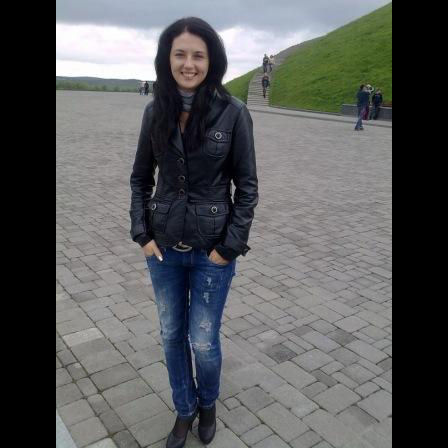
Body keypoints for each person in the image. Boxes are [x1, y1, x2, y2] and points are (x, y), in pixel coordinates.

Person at [129, 17, 258, 448]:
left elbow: (247, 187)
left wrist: (230, 247)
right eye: (180, 54)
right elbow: (140, 178)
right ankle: (184, 409)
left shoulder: (233, 112)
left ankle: (208, 403)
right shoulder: (155, 111)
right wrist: (142, 234)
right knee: (171, 335)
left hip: (212, 252)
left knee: (202, 340)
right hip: (163, 249)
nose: (189, 64)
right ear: (167, 60)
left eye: (198, 55)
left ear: (211, 60)